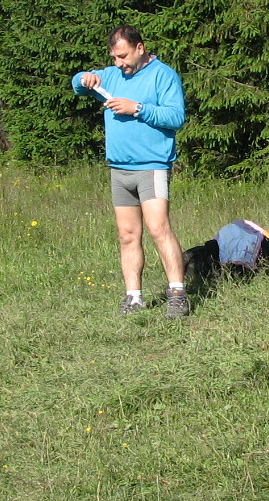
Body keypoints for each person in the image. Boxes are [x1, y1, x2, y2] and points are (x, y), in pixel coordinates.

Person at [73, 27, 190, 318]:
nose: (119, 63)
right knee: (127, 235)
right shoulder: (112, 75)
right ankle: (133, 297)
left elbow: (176, 117)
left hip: (151, 166)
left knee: (158, 228)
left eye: (123, 56)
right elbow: (79, 84)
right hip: (119, 169)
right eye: (114, 58)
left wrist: (136, 108)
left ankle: (177, 294)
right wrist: (84, 78)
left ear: (140, 48)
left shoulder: (163, 75)